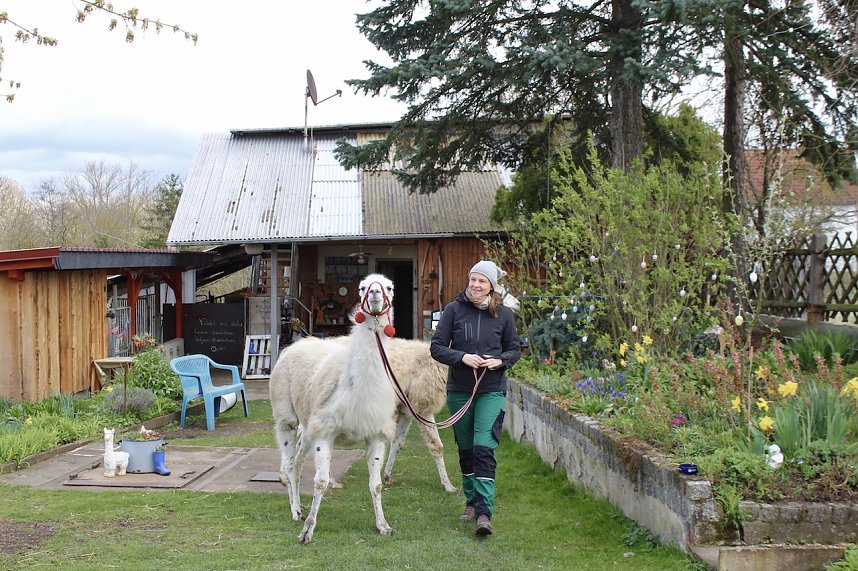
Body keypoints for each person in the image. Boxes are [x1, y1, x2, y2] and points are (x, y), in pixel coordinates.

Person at [430, 260, 521, 536]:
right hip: (460, 390)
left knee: (484, 447)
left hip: (491, 389)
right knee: (467, 448)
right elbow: (436, 347)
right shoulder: (453, 310)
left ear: (491, 286)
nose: (476, 285)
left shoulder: (504, 314)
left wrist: (500, 361)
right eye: (473, 279)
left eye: (482, 281)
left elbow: (514, 349)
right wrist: (462, 357)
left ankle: (483, 512)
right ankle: (471, 502)